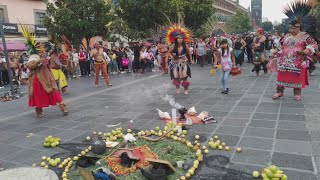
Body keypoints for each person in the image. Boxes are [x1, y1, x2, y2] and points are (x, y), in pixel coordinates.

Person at [272, 0, 318, 101]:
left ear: (298, 27)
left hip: (298, 61)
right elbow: (281, 45)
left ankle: (297, 93)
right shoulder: (287, 36)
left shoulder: (305, 35)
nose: (291, 30)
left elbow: (314, 44)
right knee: (281, 76)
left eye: (293, 28)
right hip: (284, 61)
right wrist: (275, 51)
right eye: (290, 28)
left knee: (297, 77)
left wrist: (307, 50)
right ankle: (279, 91)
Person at [21, 26, 68, 118]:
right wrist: (39, 60)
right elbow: (30, 67)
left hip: (47, 77)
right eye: (40, 48)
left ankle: (63, 107)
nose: (42, 49)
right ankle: (39, 111)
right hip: (37, 79)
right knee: (38, 96)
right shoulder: (33, 57)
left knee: (55, 93)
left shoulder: (45, 55)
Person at [166, 24, 193, 95]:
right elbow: (168, 53)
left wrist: (191, 60)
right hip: (175, 62)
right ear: (176, 39)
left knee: (184, 76)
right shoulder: (173, 46)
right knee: (176, 77)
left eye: (181, 38)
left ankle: (186, 89)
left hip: (184, 61)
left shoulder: (185, 45)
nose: (180, 39)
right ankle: (177, 88)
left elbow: (189, 53)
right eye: (178, 38)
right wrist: (171, 56)